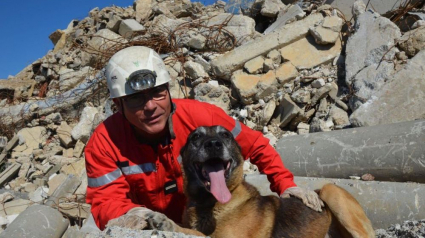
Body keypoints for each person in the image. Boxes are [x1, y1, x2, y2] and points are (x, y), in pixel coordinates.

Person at [85, 46, 324, 230]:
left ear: (168, 90)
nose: (151, 106)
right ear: (118, 104)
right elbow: (105, 202)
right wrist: (139, 217)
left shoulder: (202, 117)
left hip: (205, 218)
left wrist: (286, 184)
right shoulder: (105, 142)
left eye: (158, 92)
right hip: (152, 228)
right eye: (136, 98)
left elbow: (257, 145)